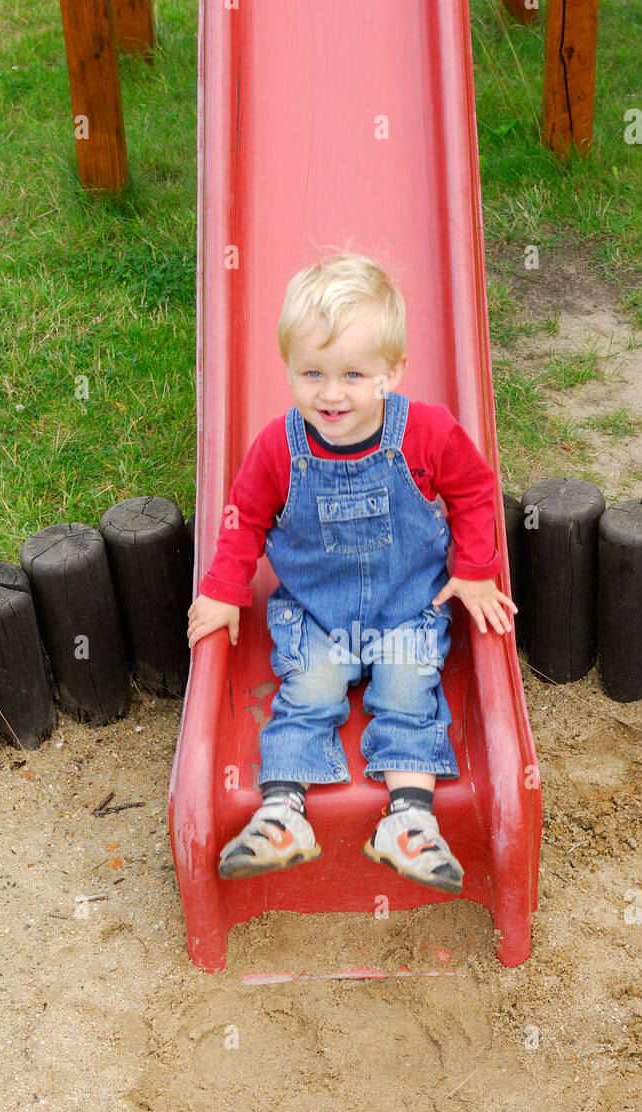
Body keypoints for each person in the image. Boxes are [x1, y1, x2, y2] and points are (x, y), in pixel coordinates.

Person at [187, 252, 516, 894]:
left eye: (353, 375)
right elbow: (242, 516)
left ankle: (409, 823)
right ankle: (283, 814)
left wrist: (476, 571)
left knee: (407, 694)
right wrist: (224, 590)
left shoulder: (426, 433)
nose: (331, 393)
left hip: (406, 608)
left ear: (393, 372)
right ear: (287, 368)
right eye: (312, 373)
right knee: (305, 693)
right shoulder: (278, 448)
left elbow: (476, 492)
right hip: (317, 614)